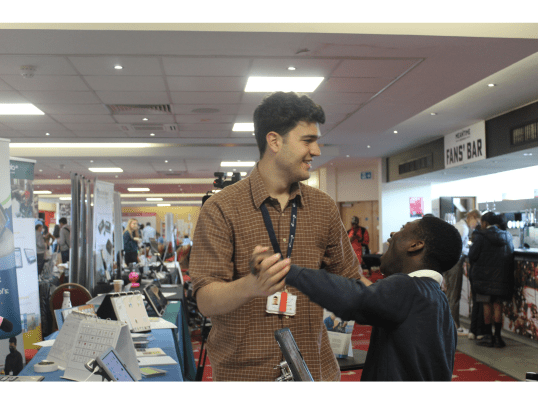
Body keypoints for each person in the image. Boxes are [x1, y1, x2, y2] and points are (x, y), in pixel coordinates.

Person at [189, 91, 361, 381]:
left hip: (313, 371)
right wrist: (251, 285)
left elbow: (352, 283)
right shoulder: (221, 208)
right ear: (274, 141)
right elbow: (205, 299)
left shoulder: (323, 207)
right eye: (307, 140)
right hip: (245, 376)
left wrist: (408, 294)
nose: (317, 150)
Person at [253, 215, 461, 381]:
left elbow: (355, 299)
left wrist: (287, 271)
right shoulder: (437, 301)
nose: (391, 234)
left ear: (415, 245)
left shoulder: (408, 288)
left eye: (402, 229)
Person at [469, 212, 514, 348]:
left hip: (484, 278)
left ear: (484, 223)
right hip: (501, 277)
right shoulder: (507, 236)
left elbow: (472, 255)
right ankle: (498, 337)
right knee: (498, 305)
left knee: (486, 305)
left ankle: (488, 336)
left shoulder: (480, 236)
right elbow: (511, 254)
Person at [443, 209, 481, 335]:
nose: (476, 225)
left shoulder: (459, 226)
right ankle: (455, 326)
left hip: (450, 263)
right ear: (473, 218)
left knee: (451, 295)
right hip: (455, 263)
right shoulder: (463, 229)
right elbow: (455, 247)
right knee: (454, 295)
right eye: (477, 222)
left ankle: (449, 325)